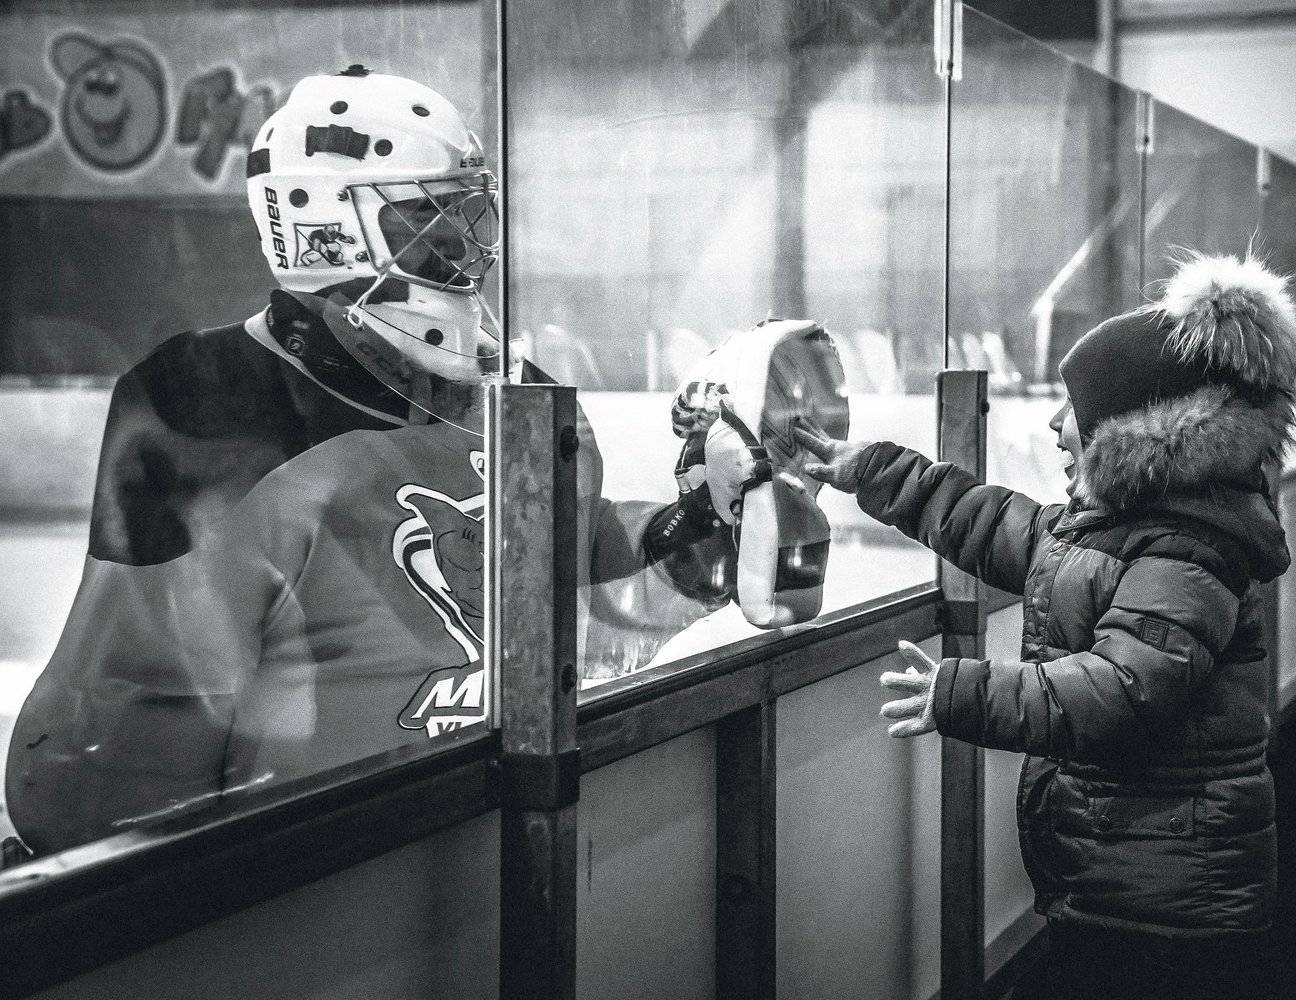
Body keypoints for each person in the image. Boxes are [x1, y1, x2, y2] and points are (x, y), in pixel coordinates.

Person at [3, 68, 747, 857]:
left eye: (470, 216)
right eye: (430, 222)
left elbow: (578, 584)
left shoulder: (514, 389)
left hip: (498, 833)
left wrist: (695, 527)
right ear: (323, 225)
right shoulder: (214, 403)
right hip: (331, 879)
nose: (468, 249)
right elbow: (122, 741)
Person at [797, 253, 1296, 1000]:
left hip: (1167, 901)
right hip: (1134, 870)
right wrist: (874, 471)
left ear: (1133, 434)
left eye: (1075, 408)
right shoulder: (1134, 528)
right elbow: (1005, 528)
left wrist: (961, 694)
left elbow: (1122, 690)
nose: (1057, 425)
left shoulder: (1186, 550)